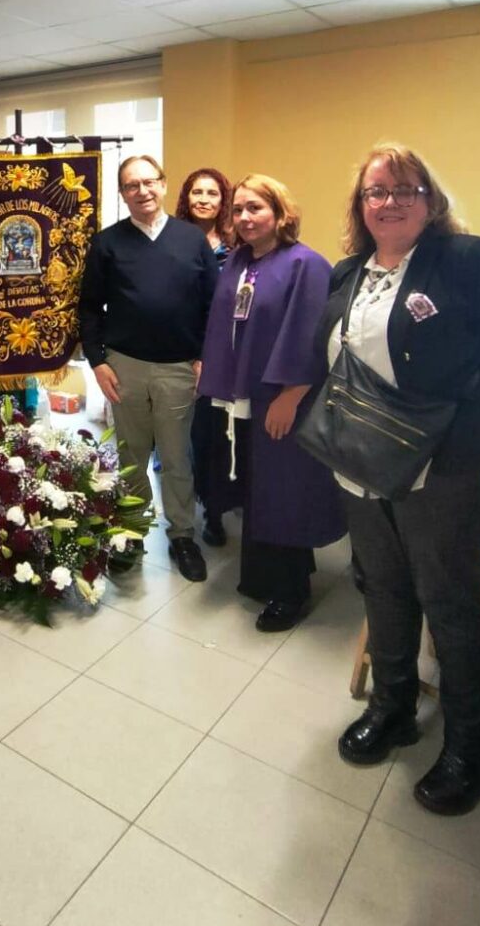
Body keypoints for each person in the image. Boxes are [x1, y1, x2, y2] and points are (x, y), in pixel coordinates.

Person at [321, 144, 480, 815]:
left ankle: (469, 752)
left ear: (430, 197)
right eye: (375, 191)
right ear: (361, 206)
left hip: (450, 469)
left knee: (447, 600)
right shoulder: (348, 273)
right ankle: (393, 707)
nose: (389, 201)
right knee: (382, 586)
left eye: (404, 188)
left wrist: (474, 423)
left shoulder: (472, 261)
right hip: (366, 465)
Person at [198, 174, 345, 629]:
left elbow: (312, 338)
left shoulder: (307, 265)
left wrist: (289, 395)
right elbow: (227, 323)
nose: (244, 217)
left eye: (255, 208)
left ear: (281, 213)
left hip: (285, 399)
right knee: (258, 493)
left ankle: (291, 590)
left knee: (285, 495)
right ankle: (263, 579)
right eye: (238, 209)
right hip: (245, 399)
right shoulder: (239, 263)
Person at [79, 155, 219, 582]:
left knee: (177, 457)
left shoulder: (191, 240)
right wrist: (98, 362)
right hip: (126, 366)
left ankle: (182, 536)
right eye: (131, 185)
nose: (142, 191)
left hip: (179, 368)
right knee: (132, 456)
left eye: (149, 182)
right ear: (122, 194)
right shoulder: (108, 243)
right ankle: (131, 532)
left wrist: (205, 357)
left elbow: (213, 305)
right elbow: (88, 308)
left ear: (163, 184)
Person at [174, 167, 238, 547]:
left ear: (222, 200)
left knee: (221, 436)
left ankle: (220, 508)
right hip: (185, 349)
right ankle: (205, 508)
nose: (203, 199)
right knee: (194, 436)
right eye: (196, 192)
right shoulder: (174, 239)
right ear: (186, 197)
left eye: (212, 193)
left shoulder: (236, 243)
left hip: (228, 350)